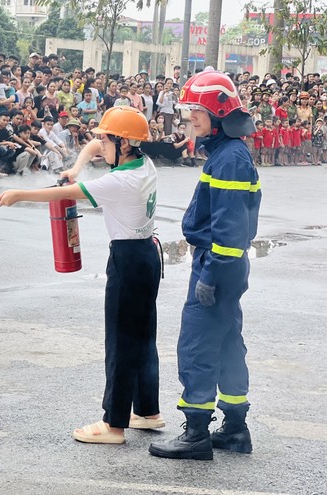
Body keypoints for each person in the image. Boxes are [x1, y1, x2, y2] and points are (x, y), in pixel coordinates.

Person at [0, 106, 163, 445]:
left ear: (126, 142)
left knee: (120, 340)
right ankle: (147, 412)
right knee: (143, 337)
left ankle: (114, 425)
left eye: (107, 139)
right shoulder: (144, 164)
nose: (100, 143)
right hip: (147, 255)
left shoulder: (121, 180)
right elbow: (90, 148)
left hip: (128, 261)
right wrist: (76, 167)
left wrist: (19, 195)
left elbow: (61, 194)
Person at [149, 70, 261, 461]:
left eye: (196, 111)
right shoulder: (230, 155)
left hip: (218, 264)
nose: (190, 119)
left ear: (218, 113)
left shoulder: (229, 160)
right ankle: (234, 428)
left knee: (197, 345)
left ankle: (195, 431)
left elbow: (230, 229)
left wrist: (210, 275)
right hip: (227, 265)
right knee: (229, 343)